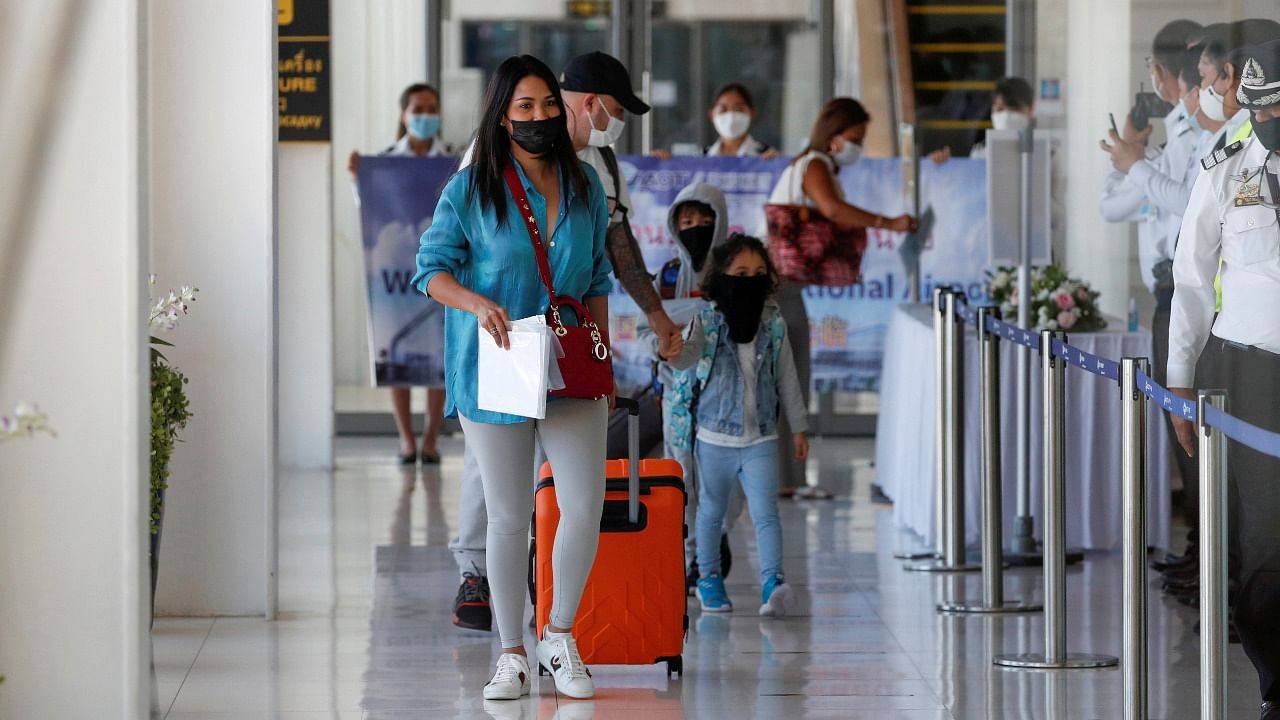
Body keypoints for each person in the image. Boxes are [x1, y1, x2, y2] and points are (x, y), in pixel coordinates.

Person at [411, 54, 613, 701]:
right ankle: (512, 652)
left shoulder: (586, 185)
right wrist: (477, 304)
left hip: (569, 358)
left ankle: (559, 635)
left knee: (583, 503)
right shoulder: (472, 189)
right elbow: (430, 269)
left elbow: (598, 277)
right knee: (508, 518)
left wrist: (603, 354)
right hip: (497, 357)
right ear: (502, 114)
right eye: (524, 107)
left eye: (548, 105)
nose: (539, 117)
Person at [1166, 39, 1280, 720]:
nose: (1271, 120)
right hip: (1253, 372)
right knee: (1266, 541)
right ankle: (1278, 682)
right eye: (1263, 109)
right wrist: (1179, 380)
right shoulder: (1224, 170)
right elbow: (1188, 277)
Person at [1098, 22, 1205, 589]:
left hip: (1193, 291)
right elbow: (1112, 205)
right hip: (1169, 291)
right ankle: (1200, 550)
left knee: (1193, 423)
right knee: (1179, 423)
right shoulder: (1174, 137)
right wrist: (1132, 156)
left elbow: (1187, 204)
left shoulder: (1199, 136)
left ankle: (1214, 557)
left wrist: (1136, 163)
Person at [767, 97, 917, 498]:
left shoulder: (814, 163)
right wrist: (888, 223)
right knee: (791, 380)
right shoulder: (814, 164)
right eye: (854, 138)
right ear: (833, 136)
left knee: (789, 379)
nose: (857, 147)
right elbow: (833, 211)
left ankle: (787, 478)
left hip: (783, 286)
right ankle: (786, 480)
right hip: (781, 288)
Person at [665, 233, 809, 617]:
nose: (750, 279)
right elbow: (687, 359)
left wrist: (799, 427)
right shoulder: (707, 322)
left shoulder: (773, 323)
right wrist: (672, 350)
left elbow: (787, 378)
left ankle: (773, 582)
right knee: (710, 512)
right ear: (722, 276)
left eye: (759, 272)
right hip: (713, 439)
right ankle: (708, 578)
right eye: (741, 272)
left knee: (766, 512)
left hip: (761, 436)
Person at [348, 83, 451, 465]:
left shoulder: (455, 162)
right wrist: (360, 178)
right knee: (398, 353)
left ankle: (430, 441)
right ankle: (407, 440)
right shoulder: (385, 162)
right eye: (418, 109)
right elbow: (370, 211)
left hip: (440, 271)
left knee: (439, 355)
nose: (425, 116)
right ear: (403, 114)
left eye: (432, 108)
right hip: (395, 273)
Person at [651, 181, 745, 592]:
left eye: (703, 220)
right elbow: (649, 325)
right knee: (681, 475)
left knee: (721, 478)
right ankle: (693, 556)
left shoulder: (735, 272)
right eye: (686, 221)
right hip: (677, 395)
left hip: (724, 395)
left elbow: (742, 321)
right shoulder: (667, 277)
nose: (694, 228)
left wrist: (689, 318)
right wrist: (667, 337)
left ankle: (717, 535)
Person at [558, 51, 683, 360]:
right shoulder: (520, 152)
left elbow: (620, 248)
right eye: (618, 111)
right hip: (520, 322)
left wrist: (656, 315)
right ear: (590, 103)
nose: (621, 122)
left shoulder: (605, 161)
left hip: (580, 315)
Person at [929, 76, 1035, 162]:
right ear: (993, 110)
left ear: (1031, 110)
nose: (1006, 116)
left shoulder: (1045, 153)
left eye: (1015, 109)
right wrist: (945, 166)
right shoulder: (980, 153)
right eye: (1000, 109)